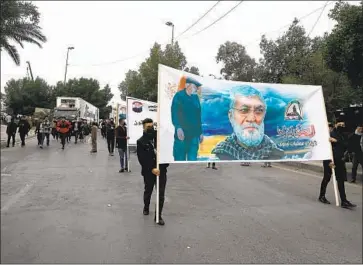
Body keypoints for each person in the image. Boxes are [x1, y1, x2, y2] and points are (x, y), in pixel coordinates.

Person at [212, 85, 284, 160]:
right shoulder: (220, 154)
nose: (251, 118)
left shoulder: (277, 154)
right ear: (231, 116)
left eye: (259, 111)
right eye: (244, 110)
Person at [137, 118, 169, 226]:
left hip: (161, 171)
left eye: (152, 126)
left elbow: (166, 153)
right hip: (149, 172)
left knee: (161, 194)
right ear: (144, 127)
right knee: (148, 191)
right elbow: (142, 159)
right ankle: (146, 207)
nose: (151, 128)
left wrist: (164, 166)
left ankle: (158, 216)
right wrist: (152, 168)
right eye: (148, 127)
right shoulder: (141, 141)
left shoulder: (159, 138)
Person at [318, 121, 356, 208]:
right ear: (336, 125)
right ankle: (321, 196)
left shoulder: (344, 135)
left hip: (340, 160)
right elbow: (323, 146)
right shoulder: (330, 134)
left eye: (343, 125)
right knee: (327, 177)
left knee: (341, 180)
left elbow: (347, 145)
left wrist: (337, 141)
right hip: (330, 160)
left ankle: (344, 200)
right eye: (340, 124)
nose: (341, 126)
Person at [171, 76, 203, 161]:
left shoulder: (195, 98)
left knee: (193, 160)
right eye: (194, 86)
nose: (196, 89)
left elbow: (198, 115)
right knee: (179, 159)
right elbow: (174, 113)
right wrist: (178, 127)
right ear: (187, 85)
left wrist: (200, 132)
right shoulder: (179, 96)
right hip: (182, 135)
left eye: (197, 87)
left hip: (194, 136)